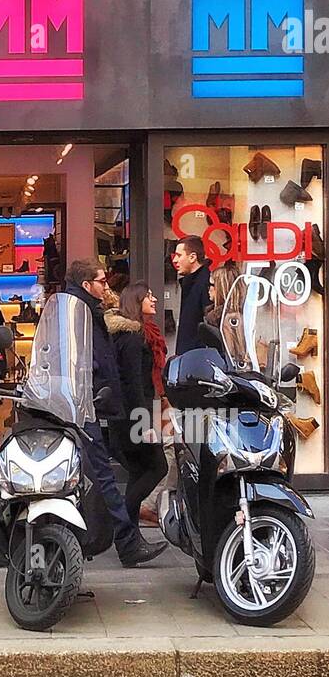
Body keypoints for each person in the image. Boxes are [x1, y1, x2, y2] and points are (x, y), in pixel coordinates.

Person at [63, 259, 167, 568]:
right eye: (101, 281)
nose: (107, 287)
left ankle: (124, 539)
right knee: (106, 477)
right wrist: (140, 419)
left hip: (99, 406)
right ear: (87, 286)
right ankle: (125, 539)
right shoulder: (86, 315)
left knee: (106, 476)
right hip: (95, 407)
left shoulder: (89, 314)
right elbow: (125, 378)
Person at [105, 282, 170, 529]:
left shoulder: (138, 335)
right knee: (157, 467)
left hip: (128, 416)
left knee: (139, 471)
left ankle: (129, 533)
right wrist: (144, 424)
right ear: (137, 302)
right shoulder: (134, 339)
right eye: (148, 296)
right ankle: (123, 523)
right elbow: (133, 384)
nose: (153, 299)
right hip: (132, 418)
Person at [171, 235, 212, 354]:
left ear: (192, 257)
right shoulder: (191, 282)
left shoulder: (206, 284)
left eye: (179, 255)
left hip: (197, 360)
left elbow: (208, 325)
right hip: (191, 357)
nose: (174, 260)